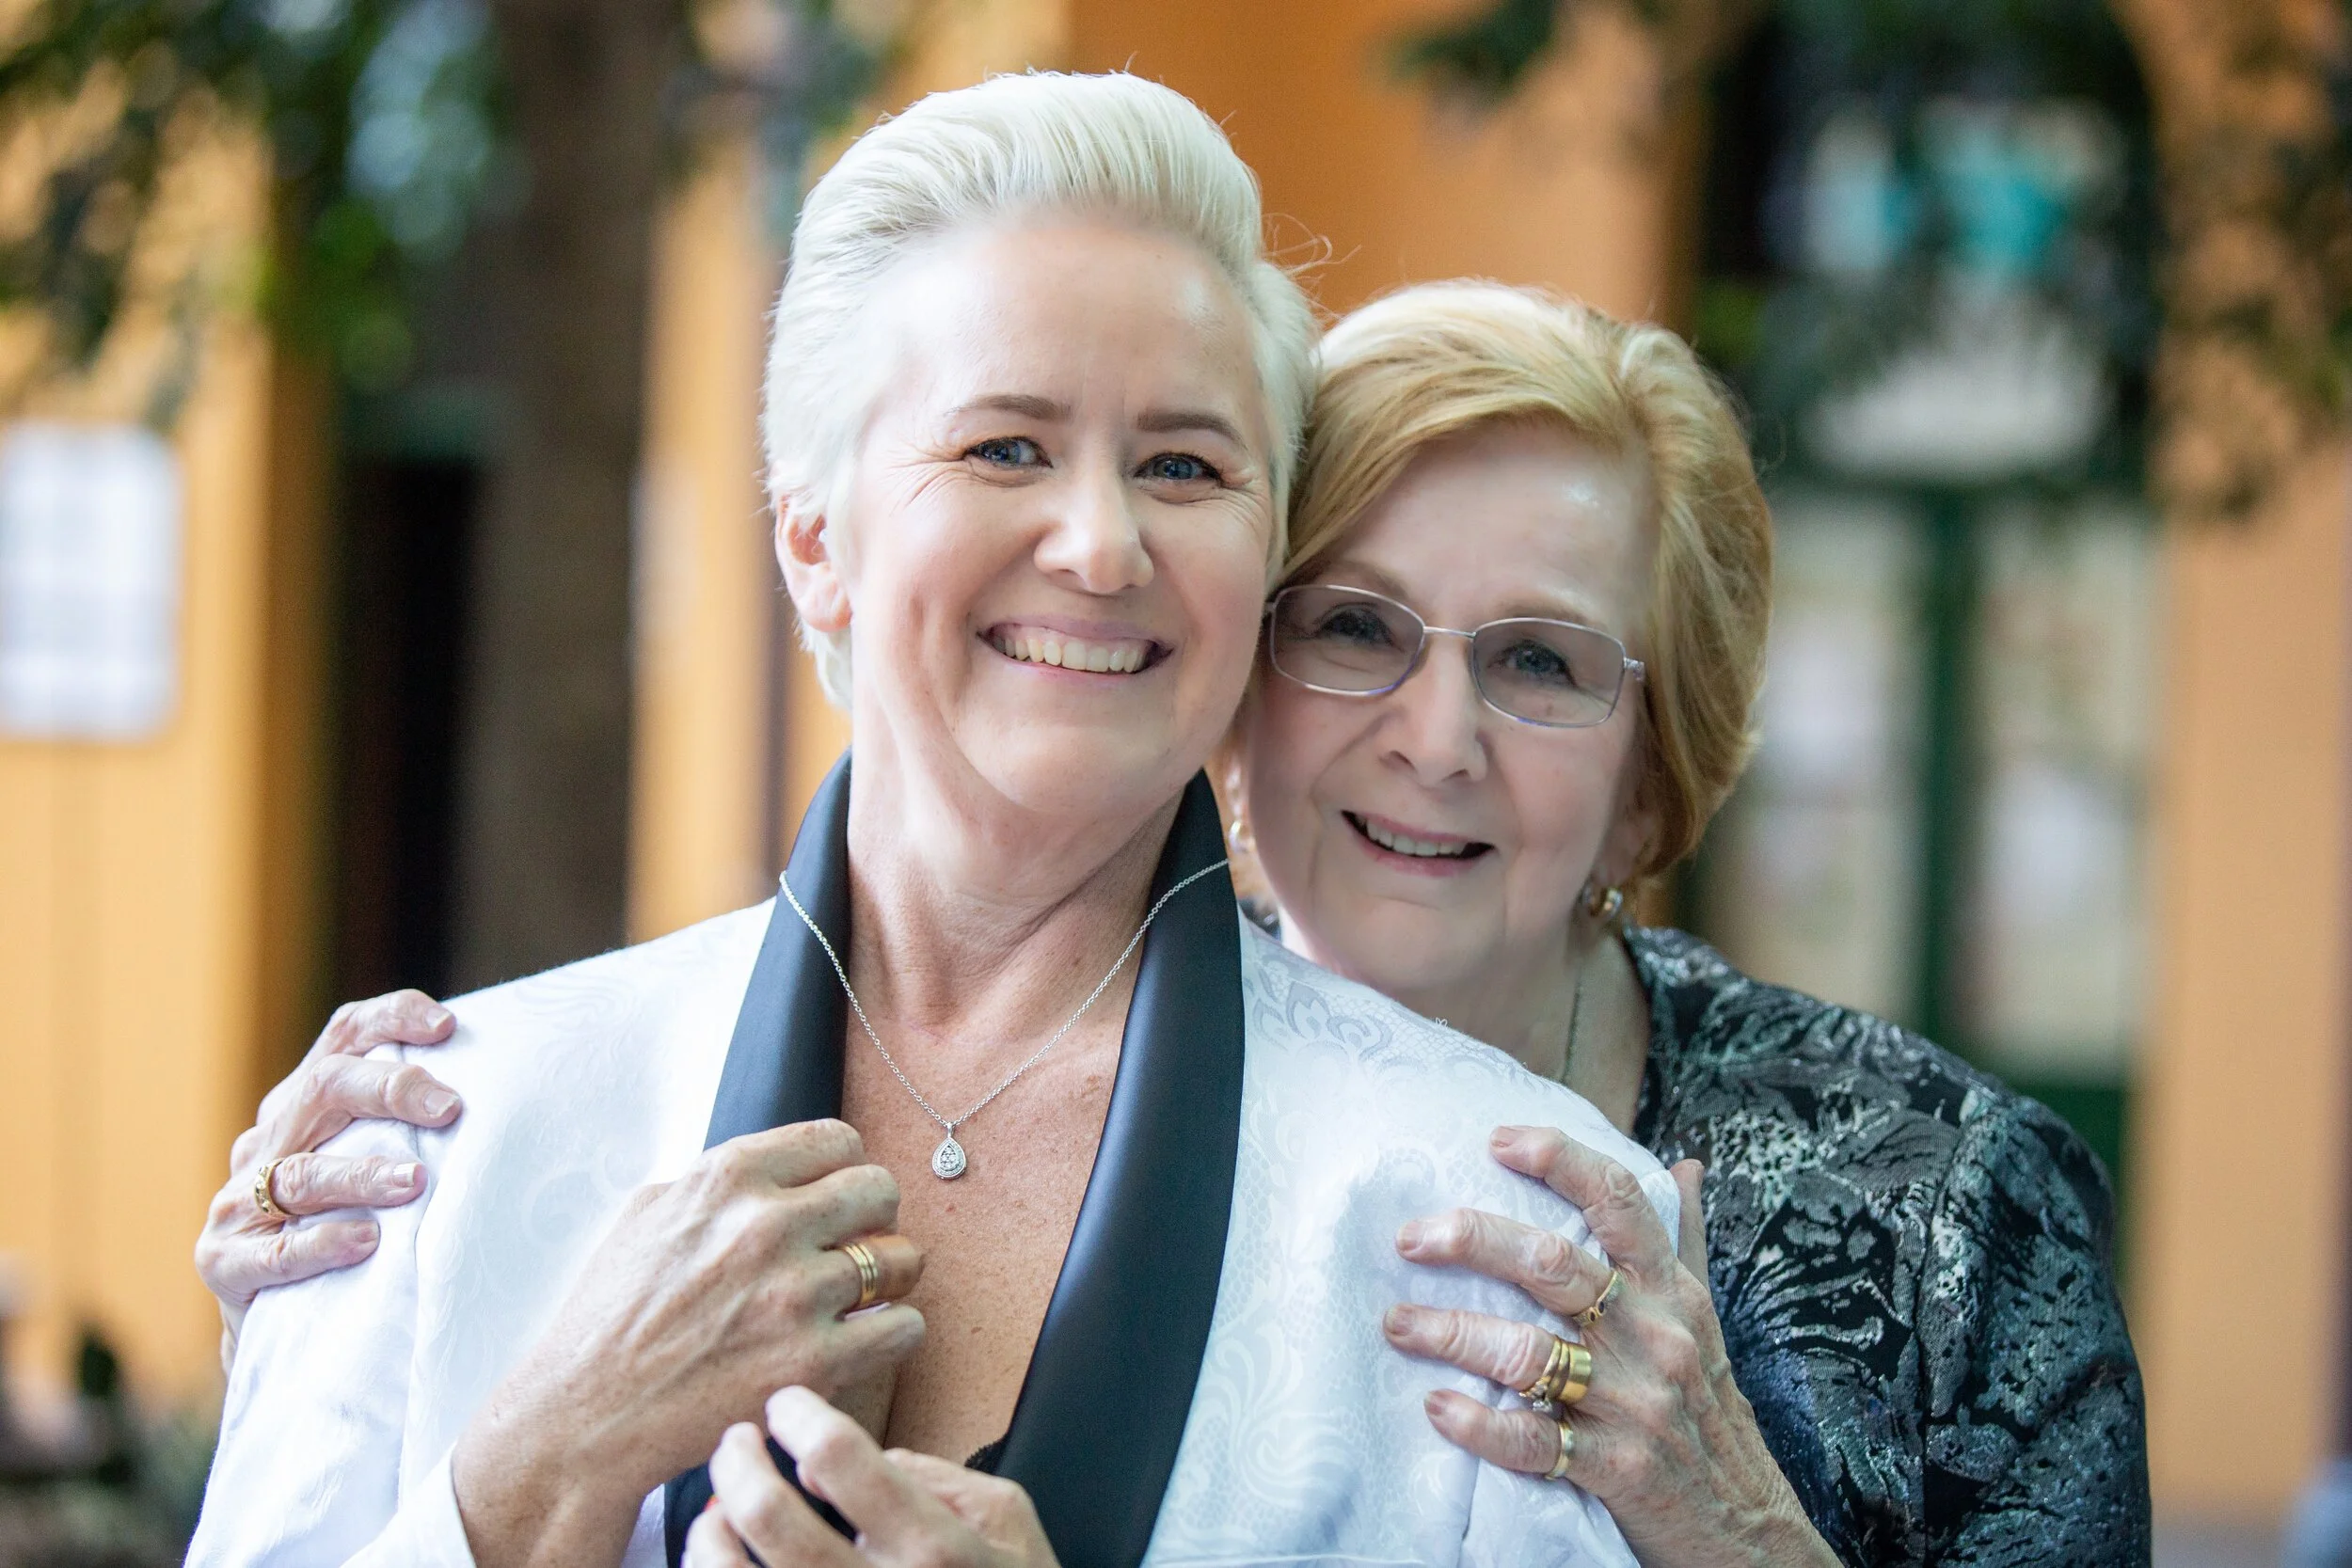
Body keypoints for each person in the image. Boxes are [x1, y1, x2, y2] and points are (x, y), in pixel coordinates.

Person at [188, 73, 1678, 1568]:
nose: (1101, 544)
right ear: (816, 540)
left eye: (1184, 465)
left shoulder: (1502, 1229)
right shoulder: (427, 1146)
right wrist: (527, 1476)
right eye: (1004, 447)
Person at [1220, 280, 2151, 1564]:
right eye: (1350, 625)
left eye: (1539, 660)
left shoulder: (1956, 1210)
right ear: (1239, 681)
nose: (1435, 743)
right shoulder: (1076, 1115)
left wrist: (1740, 1531)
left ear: (1648, 786)